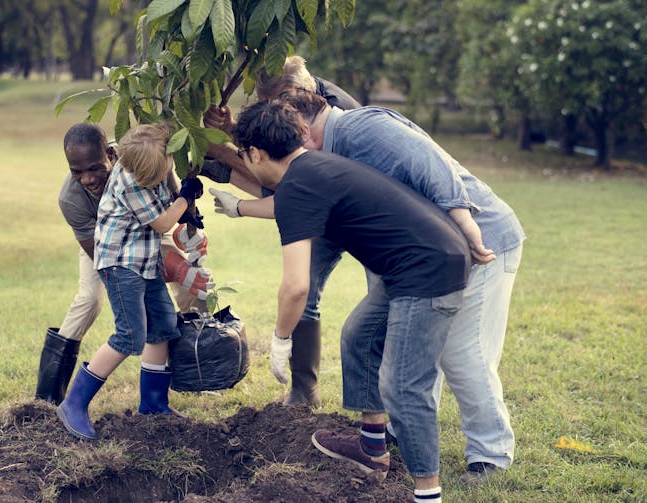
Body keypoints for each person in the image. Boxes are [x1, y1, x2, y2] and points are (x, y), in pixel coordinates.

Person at [213, 90, 526, 483]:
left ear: (306, 130)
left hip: (477, 241)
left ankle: (488, 455)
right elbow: (291, 201)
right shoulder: (318, 160)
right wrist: (238, 206)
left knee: (453, 357)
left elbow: (433, 165)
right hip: (415, 258)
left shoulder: (363, 130)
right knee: (360, 334)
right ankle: (375, 441)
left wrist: (465, 223)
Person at [200, 56, 361, 407]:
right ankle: (304, 392)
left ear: (303, 90)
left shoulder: (337, 116)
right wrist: (230, 132)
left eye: (285, 102)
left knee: (358, 312)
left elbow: (295, 187)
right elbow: (284, 183)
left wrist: (227, 155)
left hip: (358, 211)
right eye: (272, 106)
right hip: (318, 205)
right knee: (307, 292)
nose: (282, 112)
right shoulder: (291, 106)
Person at [35, 123, 212, 406]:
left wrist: (188, 223)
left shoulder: (142, 154)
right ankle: (49, 395)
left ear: (111, 154)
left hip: (147, 231)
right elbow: (102, 253)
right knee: (90, 300)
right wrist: (170, 266)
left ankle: (197, 371)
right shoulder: (72, 199)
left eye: (94, 168)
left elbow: (169, 197)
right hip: (107, 246)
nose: (87, 179)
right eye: (77, 172)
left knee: (185, 292)